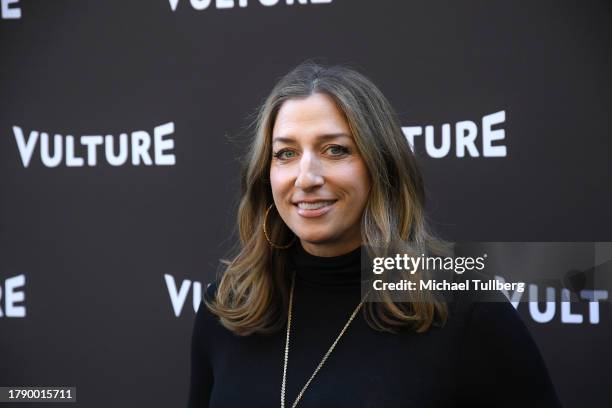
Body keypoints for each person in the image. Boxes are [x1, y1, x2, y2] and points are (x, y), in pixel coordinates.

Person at [187, 61, 561, 407]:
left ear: (381, 166)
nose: (306, 177)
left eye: (335, 150)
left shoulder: (464, 306)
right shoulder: (228, 305)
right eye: (285, 154)